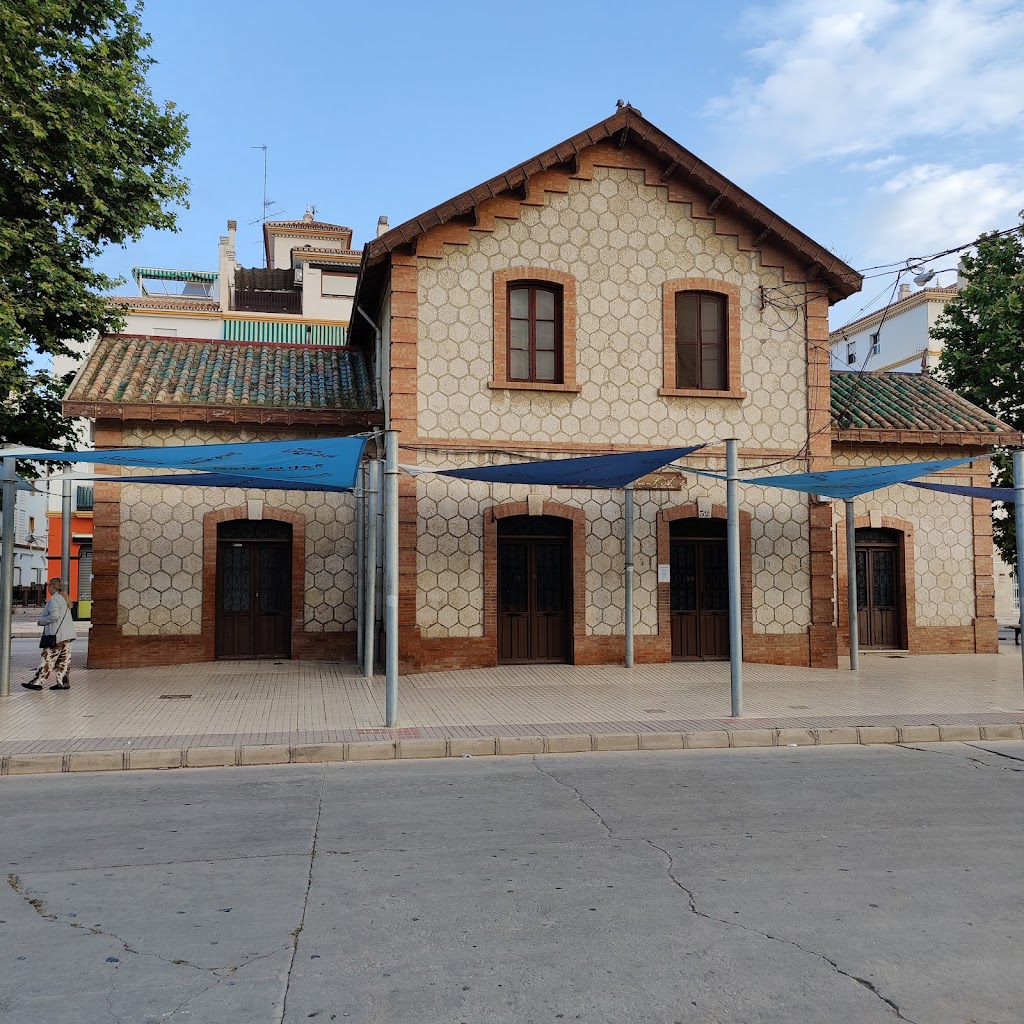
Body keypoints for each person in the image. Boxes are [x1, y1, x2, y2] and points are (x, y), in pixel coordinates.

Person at [22, 578, 77, 692]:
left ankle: (37, 682)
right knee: (64, 661)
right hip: (66, 636)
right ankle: (63, 682)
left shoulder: (55, 599)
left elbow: (54, 616)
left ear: (52, 586)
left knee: (47, 659)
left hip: (56, 637)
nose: (48, 588)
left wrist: (41, 621)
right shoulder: (64, 598)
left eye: (48, 586)